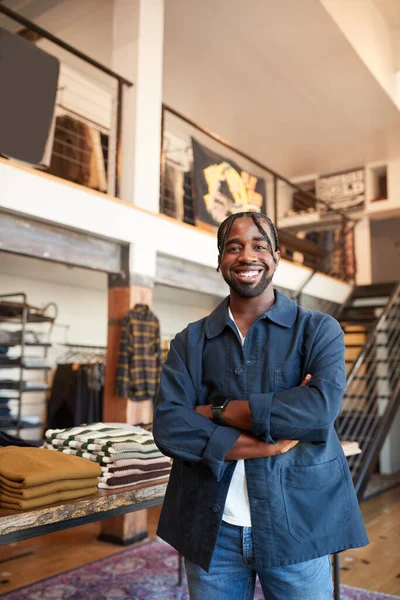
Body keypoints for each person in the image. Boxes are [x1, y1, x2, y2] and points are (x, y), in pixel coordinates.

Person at [153, 212, 368, 600]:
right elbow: (169, 425)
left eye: (259, 245)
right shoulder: (189, 342)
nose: (246, 256)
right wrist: (268, 442)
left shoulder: (318, 330)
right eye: (233, 247)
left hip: (298, 526)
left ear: (277, 256)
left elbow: (317, 412)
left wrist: (214, 411)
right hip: (211, 530)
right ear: (220, 260)